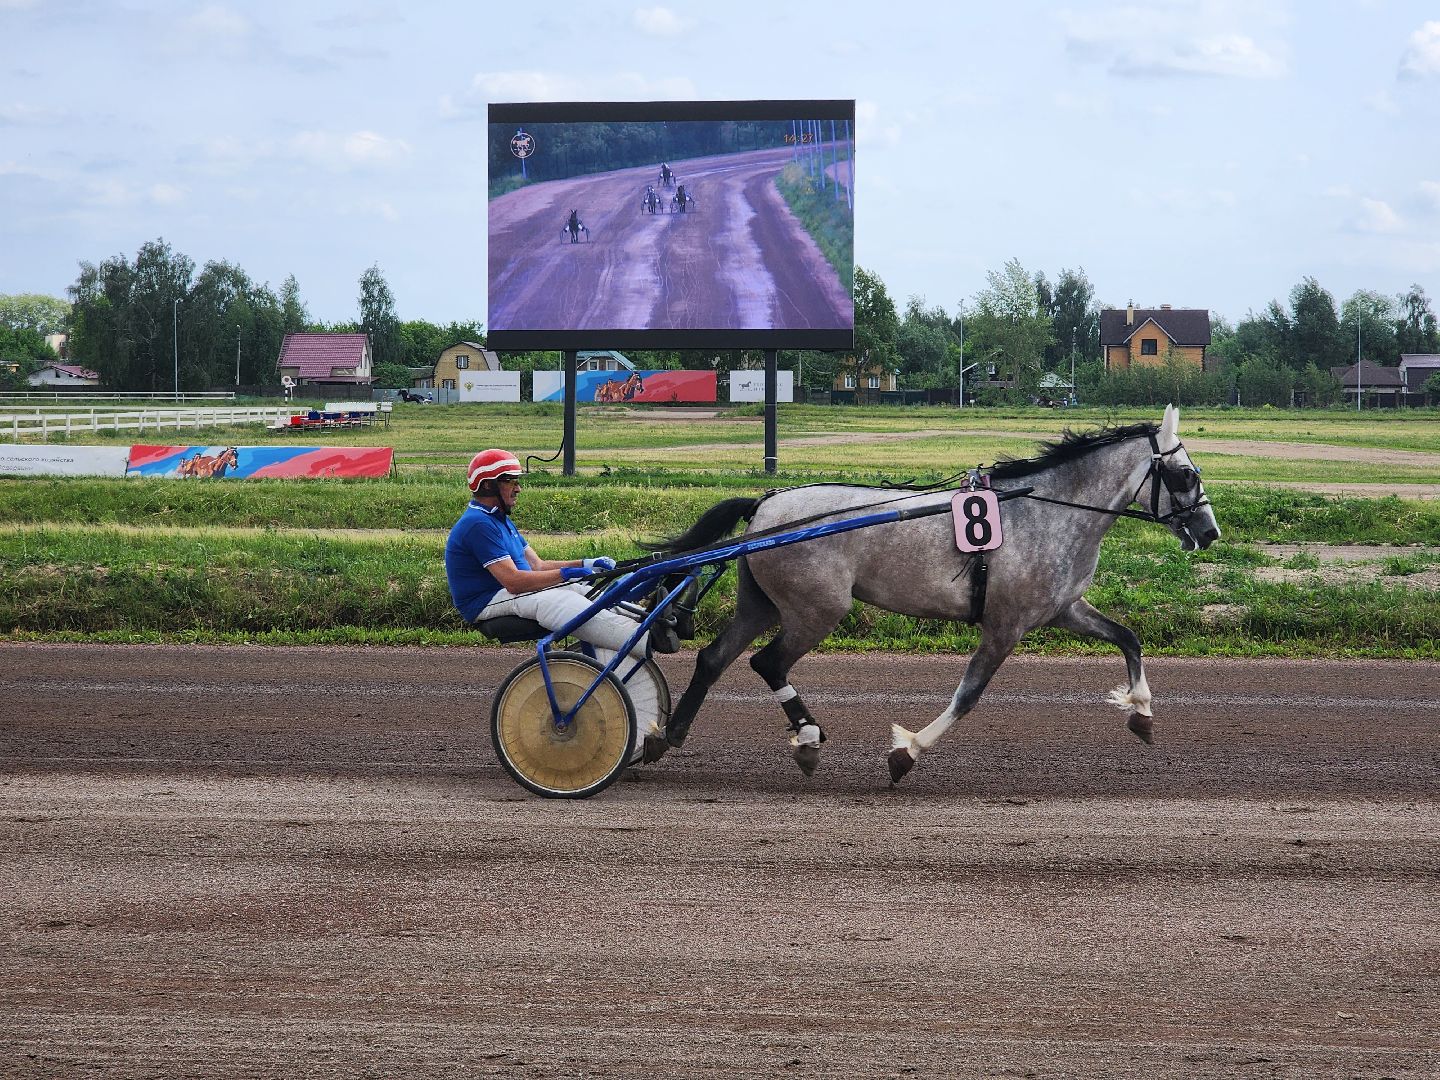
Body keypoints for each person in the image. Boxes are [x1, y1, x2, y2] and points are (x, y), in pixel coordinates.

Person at [445, 449, 679, 656]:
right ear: (487, 485)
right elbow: (514, 582)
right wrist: (564, 574)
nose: (518, 488)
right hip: (486, 602)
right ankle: (643, 638)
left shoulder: (498, 519)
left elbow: (537, 566)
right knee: (560, 601)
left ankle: (647, 618)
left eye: (517, 481)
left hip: (506, 593)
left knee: (580, 590)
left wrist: (584, 564)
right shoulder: (478, 524)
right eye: (510, 481)